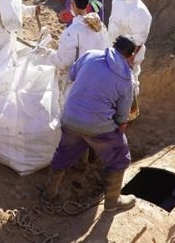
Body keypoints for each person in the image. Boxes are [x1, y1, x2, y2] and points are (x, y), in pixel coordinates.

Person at [41, 35, 138, 213]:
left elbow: (72, 74)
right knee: (119, 156)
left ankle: (49, 193)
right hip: (98, 126)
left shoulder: (91, 55)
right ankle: (112, 202)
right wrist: (116, 131)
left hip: (70, 117)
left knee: (64, 150)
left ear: (113, 46)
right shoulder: (126, 79)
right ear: (130, 55)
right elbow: (123, 118)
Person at [108, 0, 152, 121]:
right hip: (113, 48)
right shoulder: (117, 2)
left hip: (128, 54)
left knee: (129, 83)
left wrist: (130, 57)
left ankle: (129, 114)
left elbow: (139, 38)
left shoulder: (139, 11)